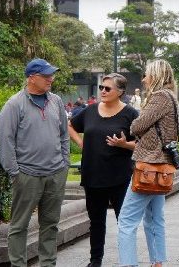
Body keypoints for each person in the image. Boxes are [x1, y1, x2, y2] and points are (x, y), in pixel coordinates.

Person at [0, 58, 70, 267]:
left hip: (55, 173)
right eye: (46, 76)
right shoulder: (14, 105)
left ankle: (48, 264)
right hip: (27, 176)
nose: (51, 79)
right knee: (19, 226)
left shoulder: (55, 101)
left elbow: (64, 134)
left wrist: (64, 164)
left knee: (51, 225)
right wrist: (15, 173)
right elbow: (6, 141)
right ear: (31, 78)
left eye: (52, 75)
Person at [68, 73, 139, 267]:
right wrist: (81, 142)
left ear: (120, 92)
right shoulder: (90, 111)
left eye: (107, 88)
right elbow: (71, 126)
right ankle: (95, 260)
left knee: (124, 222)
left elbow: (144, 143)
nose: (103, 91)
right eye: (101, 88)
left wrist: (124, 144)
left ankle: (128, 261)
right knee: (96, 221)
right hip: (93, 174)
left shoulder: (131, 114)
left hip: (120, 176)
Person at [117, 59, 179, 267]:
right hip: (161, 166)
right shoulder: (171, 96)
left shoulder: (159, 96)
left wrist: (138, 125)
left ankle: (129, 264)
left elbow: (136, 126)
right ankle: (158, 262)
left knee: (126, 221)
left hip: (149, 166)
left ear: (156, 76)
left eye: (146, 75)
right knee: (154, 219)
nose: (143, 80)